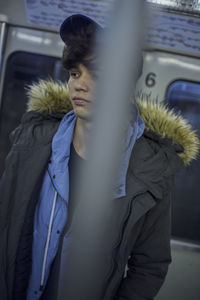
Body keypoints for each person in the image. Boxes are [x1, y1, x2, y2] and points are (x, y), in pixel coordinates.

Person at [0, 14, 199, 300]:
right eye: (75, 73)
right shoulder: (31, 142)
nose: (80, 85)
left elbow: (150, 265)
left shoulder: (151, 169)